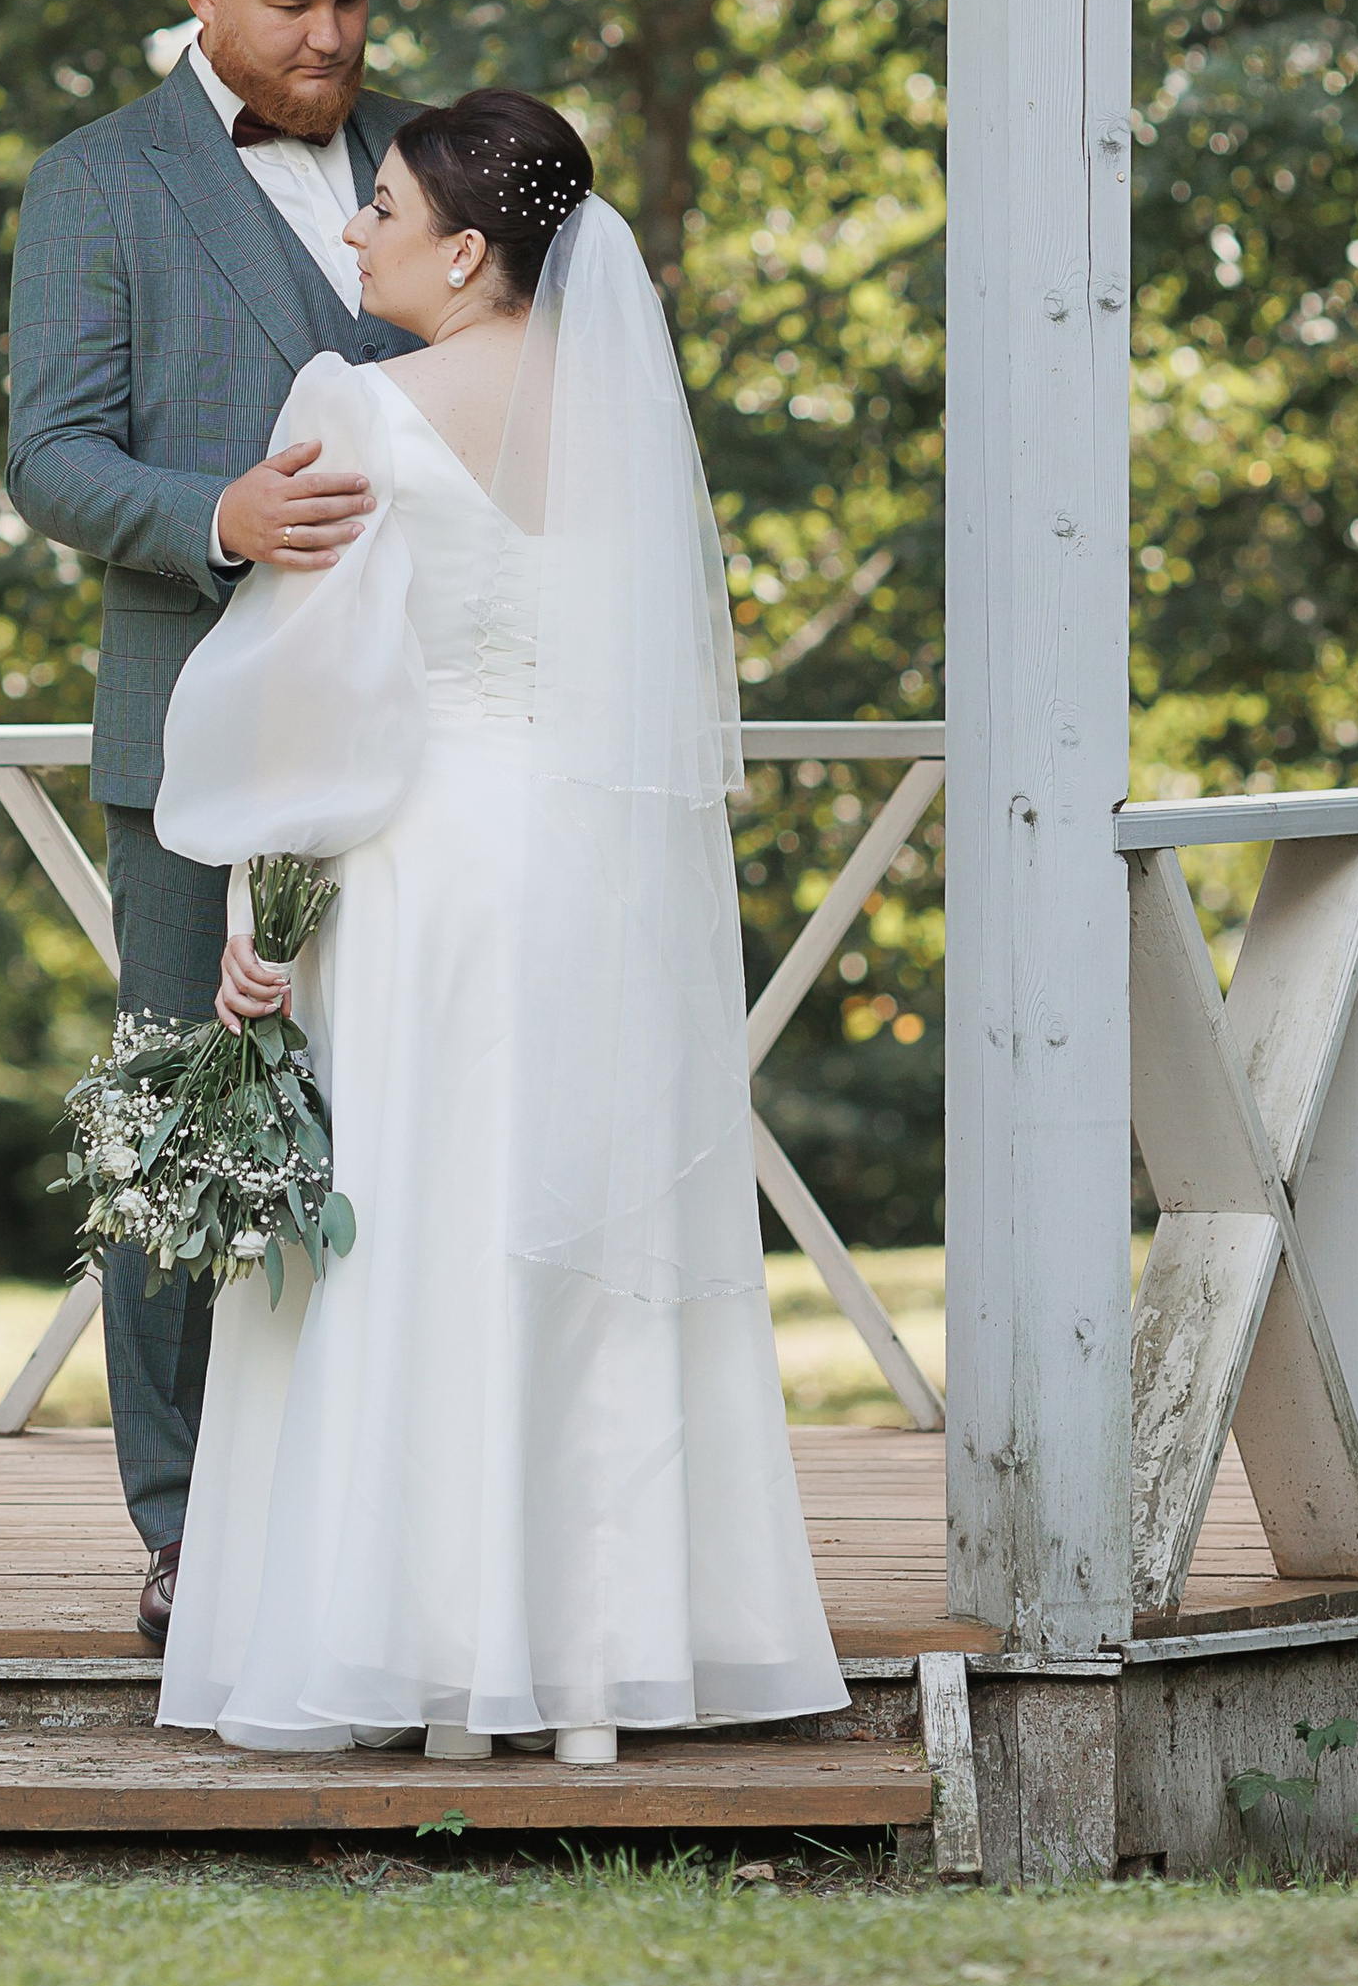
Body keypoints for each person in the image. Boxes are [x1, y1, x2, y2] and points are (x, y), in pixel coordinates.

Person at [149, 91, 843, 1760]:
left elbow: (314, 694)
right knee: (575, 1237)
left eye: (384, 207)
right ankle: (596, 1654)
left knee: (412, 1225)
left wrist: (263, 908)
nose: (355, 227)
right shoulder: (624, 418)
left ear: (466, 253)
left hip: (425, 871)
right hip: (589, 868)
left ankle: (408, 1643)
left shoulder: (358, 409)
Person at [5, 0, 421, 1647]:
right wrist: (218, 517)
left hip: (419, 734)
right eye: (294, 7)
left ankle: (384, 1493)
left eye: (353, 3)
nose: (332, 39)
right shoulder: (97, 182)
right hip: (191, 738)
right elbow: (49, 457)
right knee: (185, 1120)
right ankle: (184, 1530)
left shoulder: (431, 160)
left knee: (401, 1101)